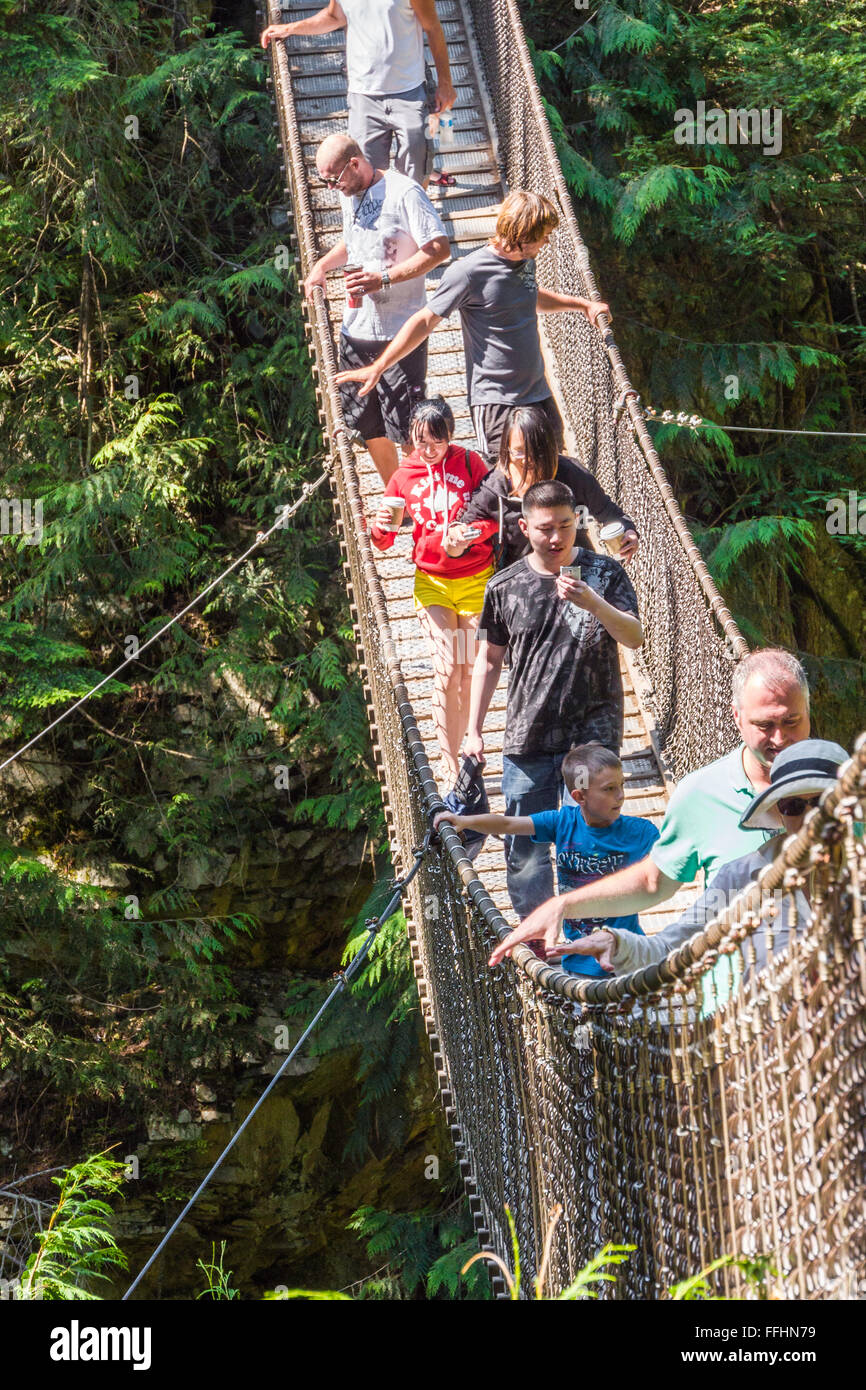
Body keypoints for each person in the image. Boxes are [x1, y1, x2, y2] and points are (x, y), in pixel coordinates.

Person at [488, 648, 813, 966]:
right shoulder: (701, 798)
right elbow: (657, 887)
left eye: (792, 721)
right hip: (737, 1006)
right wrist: (565, 907)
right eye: (765, 725)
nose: (780, 737)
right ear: (738, 717)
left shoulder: (844, 791)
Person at [464, 479, 642, 922]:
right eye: (545, 528)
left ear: (577, 520)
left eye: (566, 525)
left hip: (593, 733)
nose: (558, 537)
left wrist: (596, 604)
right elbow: (487, 659)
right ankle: (539, 939)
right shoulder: (503, 587)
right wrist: (472, 730)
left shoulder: (605, 574)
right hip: (528, 735)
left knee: (590, 839)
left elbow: (635, 637)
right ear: (524, 527)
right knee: (526, 850)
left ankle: (593, 933)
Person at [335, 190, 611, 464]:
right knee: (506, 483)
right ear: (522, 235)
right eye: (543, 236)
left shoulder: (526, 262)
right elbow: (425, 320)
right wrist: (378, 367)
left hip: (538, 393)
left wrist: (582, 305)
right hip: (497, 402)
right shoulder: (468, 272)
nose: (547, 242)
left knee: (556, 471)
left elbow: (528, 295)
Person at [552, 739, 848, 990]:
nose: (811, 817)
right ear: (779, 814)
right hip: (771, 1045)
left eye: (823, 802)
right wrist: (617, 944)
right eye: (794, 806)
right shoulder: (743, 878)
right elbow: (674, 947)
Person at [435, 742, 659, 977]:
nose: (621, 795)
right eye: (609, 789)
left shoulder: (640, 833)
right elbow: (508, 823)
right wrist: (464, 821)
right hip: (578, 963)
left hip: (628, 960)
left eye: (621, 785)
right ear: (579, 796)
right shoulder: (563, 822)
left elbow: (670, 861)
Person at [303, 135, 450, 483]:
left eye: (334, 179)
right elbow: (351, 242)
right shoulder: (348, 194)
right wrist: (322, 266)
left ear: (355, 163)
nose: (331, 188)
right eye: (324, 182)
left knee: (409, 426)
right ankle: (397, 498)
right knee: (370, 426)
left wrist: (383, 279)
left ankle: (421, 501)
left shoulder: (405, 193)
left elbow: (439, 249)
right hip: (356, 332)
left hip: (399, 332)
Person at [369, 397, 497, 781]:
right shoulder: (403, 475)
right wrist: (376, 524)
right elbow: (384, 540)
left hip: (476, 582)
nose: (427, 450)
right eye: (420, 441)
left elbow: (496, 517)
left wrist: (470, 534)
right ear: (410, 437)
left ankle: (468, 745)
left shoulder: (472, 464)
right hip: (434, 585)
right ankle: (448, 762)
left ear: (450, 437)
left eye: (436, 442)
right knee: (446, 670)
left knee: (468, 671)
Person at [260, 0, 456, 188]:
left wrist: (445, 83)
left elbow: (432, 27)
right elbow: (334, 17)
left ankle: (411, 218)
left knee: (415, 172)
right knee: (365, 176)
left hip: (409, 91)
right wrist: (290, 29)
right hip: (363, 95)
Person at [449, 403, 639, 569]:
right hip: (524, 581)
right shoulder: (495, 489)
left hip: (575, 571)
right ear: (506, 450)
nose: (528, 459)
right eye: (519, 452)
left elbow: (610, 513)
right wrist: (457, 540)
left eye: (536, 450)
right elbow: (461, 532)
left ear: (549, 448)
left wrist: (628, 531)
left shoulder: (573, 474)